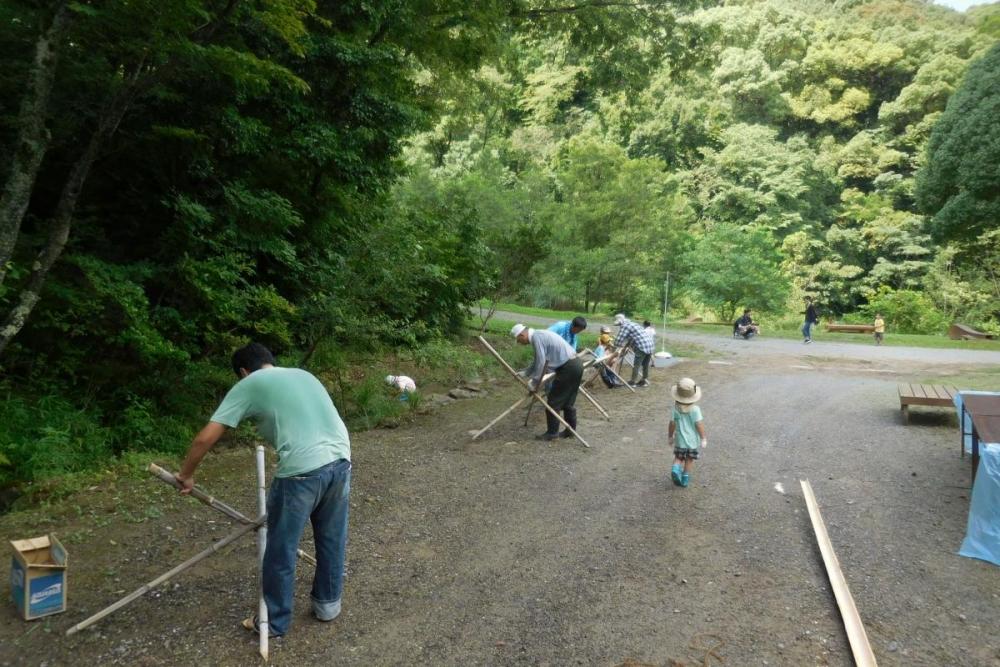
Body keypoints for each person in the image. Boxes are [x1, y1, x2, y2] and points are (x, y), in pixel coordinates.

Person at [175, 342, 352, 639]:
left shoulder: (251, 383)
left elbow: (206, 438)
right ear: (270, 360)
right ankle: (327, 607)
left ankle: (275, 622)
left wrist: (186, 474)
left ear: (243, 372)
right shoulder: (303, 375)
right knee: (332, 540)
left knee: (281, 549)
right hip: (341, 462)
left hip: (301, 472)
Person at [511, 323, 583, 440]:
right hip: (576, 365)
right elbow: (538, 360)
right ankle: (570, 431)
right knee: (568, 402)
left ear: (522, 334)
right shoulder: (539, 334)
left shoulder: (536, 337)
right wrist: (526, 372)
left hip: (568, 368)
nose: (520, 343)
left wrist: (535, 382)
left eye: (518, 340)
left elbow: (541, 363)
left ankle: (552, 433)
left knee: (554, 402)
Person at [668, 377, 707, 488]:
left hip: (680, 440)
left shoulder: (675, 408)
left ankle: (675, 469)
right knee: (689, 459)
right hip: (692, 441)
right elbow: (699, 425)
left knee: (679, 457)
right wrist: (703, 438)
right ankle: (685, 478)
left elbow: (672, 424)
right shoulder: (695, 409)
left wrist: (670, 436)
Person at [613, 313, 655, 387]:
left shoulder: (625, 326)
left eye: (619, 324)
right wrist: (625, 346)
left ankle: (633, 382)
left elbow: (619, 339)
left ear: (620, 322)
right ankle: (644, 381)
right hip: (649, 345)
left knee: (637, 364)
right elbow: (631, 338)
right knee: (645, 364)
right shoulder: (632, 324)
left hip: (642, 346)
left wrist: (614, 348)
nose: (619, 326)